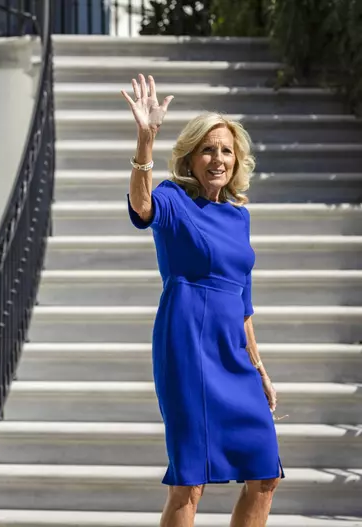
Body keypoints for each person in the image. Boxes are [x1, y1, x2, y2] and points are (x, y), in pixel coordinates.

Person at [123, 74, 283, 527]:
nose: (218, 158)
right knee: (190, 482)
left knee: (265, 472)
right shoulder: (173, 199)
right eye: (209, 150)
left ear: (238, 161)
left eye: (227, 150)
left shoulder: (238, 216)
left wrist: (260, 368)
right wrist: (145, 140)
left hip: (233, 351)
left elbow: (243, 298)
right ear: (191, 158)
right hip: (188, 344)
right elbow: (141, 206)